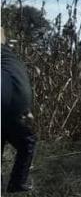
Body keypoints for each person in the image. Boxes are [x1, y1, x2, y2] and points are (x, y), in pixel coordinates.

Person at [2, 31, 37, 193]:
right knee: (27, 142)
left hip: (9, 104)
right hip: (13, 106)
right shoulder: (12, 60)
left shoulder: (9, 61)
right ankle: (17, 183)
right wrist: (26, 110)